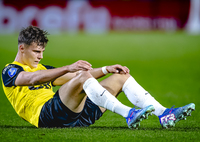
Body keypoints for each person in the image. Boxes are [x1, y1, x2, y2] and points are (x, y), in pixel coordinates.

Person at [1, 25, 195, 129]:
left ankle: (163, 114)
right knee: (81, 76)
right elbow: (31, 79)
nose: (40, 56)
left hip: (74, 115)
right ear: (21, 48)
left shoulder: (43, 68)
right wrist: (68, 67)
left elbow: (74, 78)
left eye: (42, 52)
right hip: (46, 116)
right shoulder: (10, 71)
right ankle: (129, 114)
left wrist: (106, 69)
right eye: (36, 51)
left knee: (120, 77)